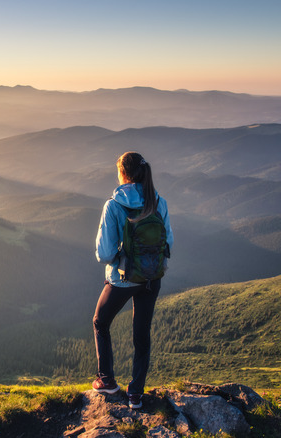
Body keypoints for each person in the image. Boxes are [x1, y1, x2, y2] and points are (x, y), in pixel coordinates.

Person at [92, 151, 173, 409]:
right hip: (151, 277)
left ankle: (107, 381)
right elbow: (167, 242)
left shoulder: (114, 205)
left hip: (123, 278)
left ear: (123, 173)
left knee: (100, 322)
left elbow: (104, 253)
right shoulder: (159, 202)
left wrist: (120, 258)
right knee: (142, 334)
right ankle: (136, 394)